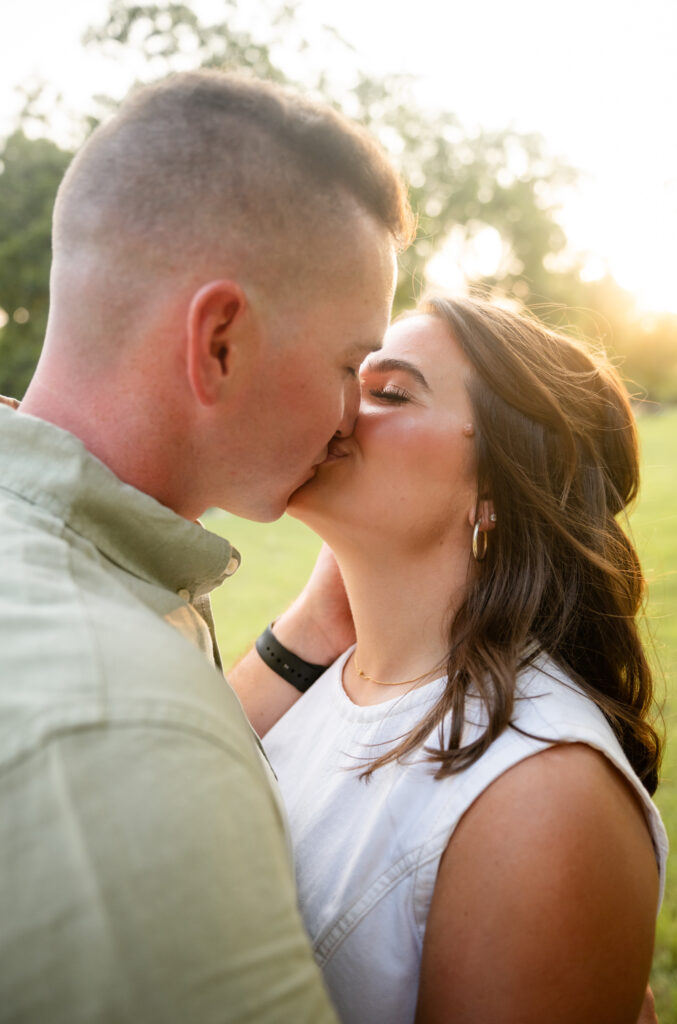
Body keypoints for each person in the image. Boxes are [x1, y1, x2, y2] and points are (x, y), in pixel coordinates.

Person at [0, 69, 415, 1022]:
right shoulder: (123, 736)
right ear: (219, 341)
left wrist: (303, 635)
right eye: (350, 365)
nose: (353, 417)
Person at [234, 295, 669, 1024]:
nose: (336, 408)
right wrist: (314, 622)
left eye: (390, 393)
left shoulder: (539, 795)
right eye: (347, 374)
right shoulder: (328, 681)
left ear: (497, 482)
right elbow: (171, 796)